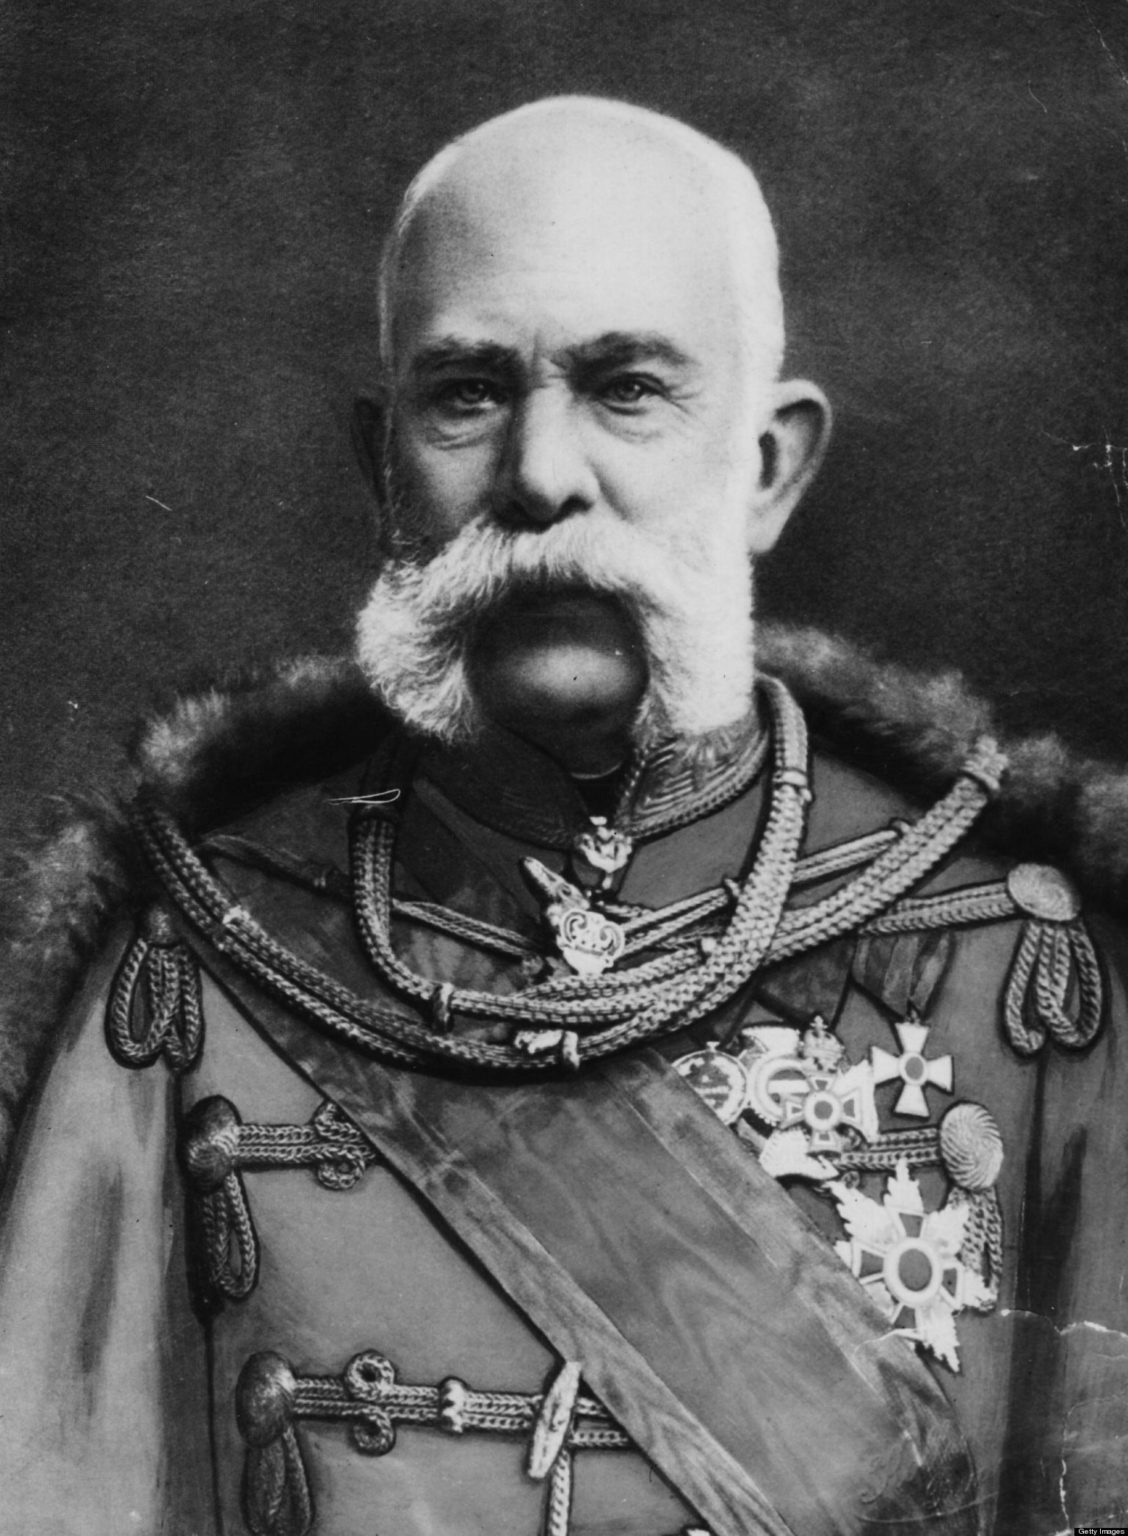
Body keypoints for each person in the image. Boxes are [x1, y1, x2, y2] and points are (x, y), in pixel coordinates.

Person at [1, 94, 1126, 1536]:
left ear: (768, 467)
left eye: (627, 388)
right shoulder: (193, 970)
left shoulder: (1020, 975)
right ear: (384, 465)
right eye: (468, 393)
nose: (540, 475)